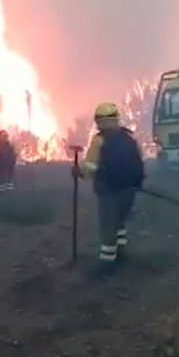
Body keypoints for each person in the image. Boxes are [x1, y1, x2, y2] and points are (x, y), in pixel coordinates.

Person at [73, 102, 145, 274]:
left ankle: (107, 263)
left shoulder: (99, 140)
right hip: (129, 190)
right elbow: (139, 160)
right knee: (120, 221)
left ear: (98, 121)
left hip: (109, 190)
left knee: (108, 224)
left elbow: (90, 166)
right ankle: (121, 252)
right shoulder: (130, 137)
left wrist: (79, 172)